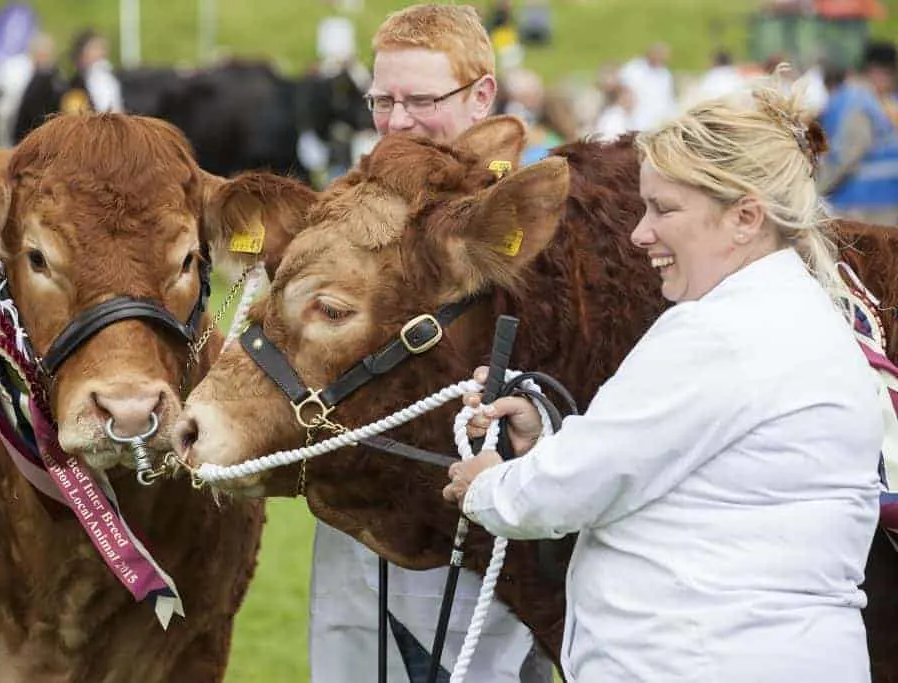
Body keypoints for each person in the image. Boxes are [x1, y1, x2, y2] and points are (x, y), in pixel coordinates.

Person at [444, 77, 883, 682]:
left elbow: (562, 492)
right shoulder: (803, 317)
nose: (640, 232)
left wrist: (486, 486)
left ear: (745, 218)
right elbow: (685, 477)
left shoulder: (720, 334)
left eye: (665, 209)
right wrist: (546, 440)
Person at [310, 7, 552, 682]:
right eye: (383, 99)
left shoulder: (533, 221)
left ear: (482, 96)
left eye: (420, 100)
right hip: (358, 537)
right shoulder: (346, 211)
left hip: (484, 553)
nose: (397, 121)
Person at [817, 41, 898, 225]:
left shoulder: (853, 100)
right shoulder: (879, 102)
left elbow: (845, 155)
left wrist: (817, 191)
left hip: (859, 205)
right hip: (873, 203)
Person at [61, 29, 122, 114]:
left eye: (102, 49)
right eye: (95, 49)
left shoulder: (112, 76)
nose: (101, 53)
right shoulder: (75, 85)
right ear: (82, 55)